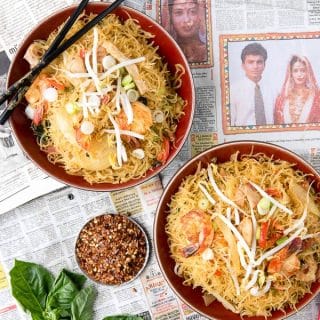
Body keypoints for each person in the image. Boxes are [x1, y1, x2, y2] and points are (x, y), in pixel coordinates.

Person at [230, 42, 275, 127]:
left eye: (259, 62)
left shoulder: (273, 90)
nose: (255, 66)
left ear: (264, 65)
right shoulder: (233, 91)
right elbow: (230, 123)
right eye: (250, 62)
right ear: (243, 65)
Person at [274, 55, 320, 124]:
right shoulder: (282, 98)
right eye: (295, 71)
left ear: (308, 73)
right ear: (291, 74)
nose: (299, 74)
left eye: (303, 70)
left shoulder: (316, 97)